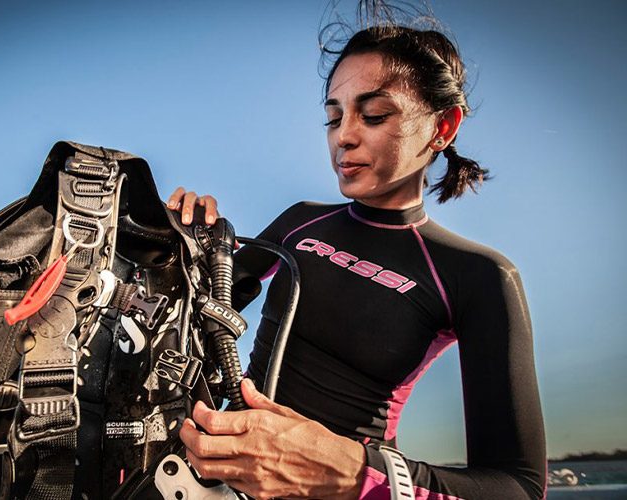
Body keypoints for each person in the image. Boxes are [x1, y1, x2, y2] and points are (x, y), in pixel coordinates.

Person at [167, 23, 546, 500]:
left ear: (442, 127)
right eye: (333, 117)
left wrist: (349, 472)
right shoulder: (300, 222)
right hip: (213, 482)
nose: (343, 137)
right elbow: (200, 308)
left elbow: (519, 487)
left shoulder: (479, 276)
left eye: (374, 115)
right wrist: (178, 244)